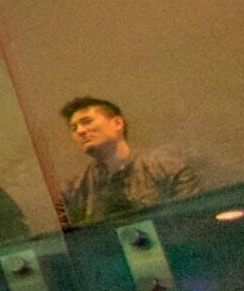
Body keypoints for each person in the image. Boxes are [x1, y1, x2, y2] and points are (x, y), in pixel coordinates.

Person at [55, 96, 202, 226]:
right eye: (74, 128)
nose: (80, 131)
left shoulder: (169, 169)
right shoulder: (72, 190)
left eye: (87, 121)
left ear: (118, 123)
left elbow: (192, 223)